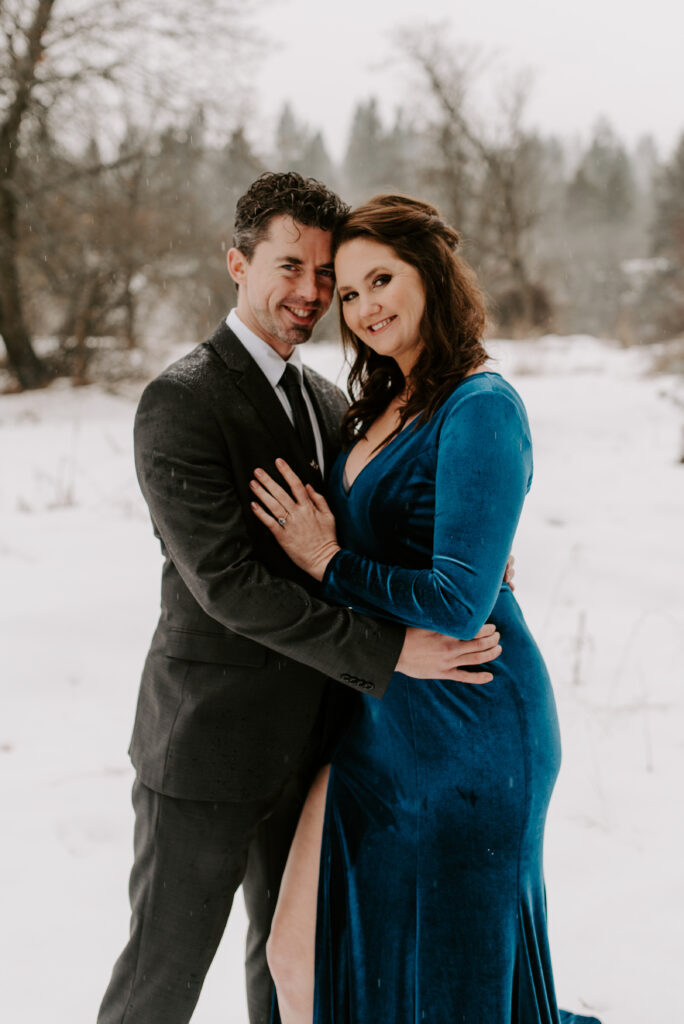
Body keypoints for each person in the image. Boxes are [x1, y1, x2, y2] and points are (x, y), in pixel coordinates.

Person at [96, 174, 507, 1024]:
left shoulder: (330, 402)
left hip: (318, 743)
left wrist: (472, 550)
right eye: (292, 268)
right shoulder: (182, 400)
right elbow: (230, 588)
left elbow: (361, 533)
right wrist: (390, 652)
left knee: (291, 977)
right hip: (209, 747)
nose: (313, 294)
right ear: (237, 264)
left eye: (329, 277)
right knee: (160, 981)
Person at [251, 194, 602, 1024]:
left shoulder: (481, 405)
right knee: (295, 958)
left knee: (452, 984)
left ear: (432, 276)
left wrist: (330, 561)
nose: (366, 306)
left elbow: (454, 600)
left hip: (471, 726)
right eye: (349, 292)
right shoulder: (379, 402)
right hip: (383, 722)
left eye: (383, 279)